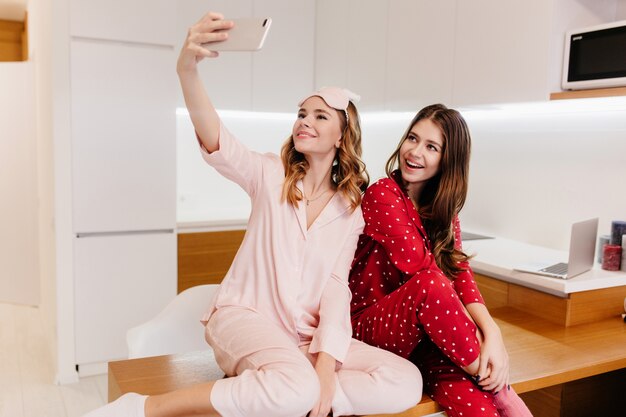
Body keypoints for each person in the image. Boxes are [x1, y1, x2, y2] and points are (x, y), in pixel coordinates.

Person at [84, 12, 422, 417]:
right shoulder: (268, 173)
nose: (304, 122)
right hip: (244, 318)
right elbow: (218, 141)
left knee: (404, 380)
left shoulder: (352, 208)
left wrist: (327, 368)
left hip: (302, 337)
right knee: (296, 384)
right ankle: (147, 407)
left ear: (342, 135)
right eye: (301, 114)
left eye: (319, 116)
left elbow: (336, 288)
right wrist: (187, 69)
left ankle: (284, 395)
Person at [349, 104, 532, 417]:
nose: (415, 152)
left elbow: (460, 274)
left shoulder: (445, 212)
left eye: (431, 147)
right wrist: (485, 350)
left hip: (426, 335)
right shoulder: (382, 194)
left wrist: (494, 335)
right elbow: (425, 274)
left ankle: (495, 391)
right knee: (431, 284)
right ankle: (502, 390)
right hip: (369, 326)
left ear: (448, 160)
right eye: (413, 138)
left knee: (477, 407)